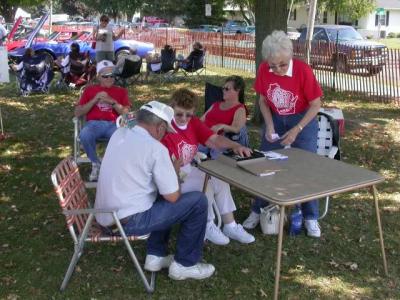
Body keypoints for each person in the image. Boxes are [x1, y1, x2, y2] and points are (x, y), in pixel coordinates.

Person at [95, 101, 215, 280]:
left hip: (103, 216)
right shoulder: (156, 149)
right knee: (197, 201)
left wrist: (145, 111)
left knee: (160, 192)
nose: (165, 136)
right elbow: (173, 197)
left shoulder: (120, 131)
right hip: (127, 222)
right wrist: (174, 171)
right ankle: (185, 264)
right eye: (166, 131)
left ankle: (156, 255)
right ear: (159, 128)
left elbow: (127, 117)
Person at [242, 30, 323, 238]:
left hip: (302, 119)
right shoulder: (264, 69)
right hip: (276, 118)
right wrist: (269, 126)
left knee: (306, 167)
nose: (276, 69)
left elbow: (316, 105)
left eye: (282, 65)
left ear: (290, 56)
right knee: (264, 165)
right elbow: (262, 101)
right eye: (272, 65)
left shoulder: (303, 71)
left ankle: (310, 216)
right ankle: (257, 210)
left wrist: (297, 129)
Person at [162, 88, 255, 245]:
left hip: (188, 170)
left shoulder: (194, 123)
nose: (184, 118)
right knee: (205, 185)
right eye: (179, 114)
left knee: (219, 179)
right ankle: (207, 224)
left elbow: (214, 140)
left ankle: (230, 225)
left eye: (188, 114)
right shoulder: (164, 127)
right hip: (172, 176)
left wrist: (235, 146)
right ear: (171, 109)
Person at [74, 60, 131, 181]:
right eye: (105, 76)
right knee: (85, 134)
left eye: (112, 75)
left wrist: (112, 102)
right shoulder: (89, 90)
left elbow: (126, 114)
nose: (109, 78)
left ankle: (114, 166)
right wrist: (95, 99)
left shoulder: (121, 91)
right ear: (99, 77)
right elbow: (78, 113)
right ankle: (96, 164)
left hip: (114, 124)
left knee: (124, 137)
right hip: (93, 124)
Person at [200, 75, 249, 158]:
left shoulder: (239, 108)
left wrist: (222, 126)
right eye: (223, 88)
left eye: (227, 89)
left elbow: (237, 129)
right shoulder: (216, 104)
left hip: (218, 140)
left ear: (237, 91)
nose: (223, 91)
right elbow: (201, 120)